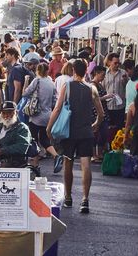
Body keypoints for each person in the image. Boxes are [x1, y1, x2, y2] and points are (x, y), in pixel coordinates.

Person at [47, 59, 105, 214]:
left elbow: (58, 108)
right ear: (86, 70)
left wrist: (49, 126)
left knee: (68, 163)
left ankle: (68, 196)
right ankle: (85, 199)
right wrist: (96, 124)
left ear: (73, 71)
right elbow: (101, 113)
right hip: (86, 131)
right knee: (86, 165)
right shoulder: (92, 88)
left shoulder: (67, 87)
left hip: (69, 132)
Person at [23, 62, 63, 174]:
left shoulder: (37, 80)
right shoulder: (51, 82)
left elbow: (25, 93)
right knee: (44, 139)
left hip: (36, 115)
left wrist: (26, 81)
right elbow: (55, 100)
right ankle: (56, 155)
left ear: (38, 71)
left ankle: (35, 164)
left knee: (33, 139)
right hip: (47, 115)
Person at [89, 65, 112, 163]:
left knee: (102, 133)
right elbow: (93, 99)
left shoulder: (100, 84)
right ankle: (94, 154)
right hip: (95, 113)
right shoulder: (93, 85)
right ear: (97, 73)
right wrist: (106, 97)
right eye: (102, 75)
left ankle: (99, 153)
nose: (103, 77)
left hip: (102, 111)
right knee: (96, 133)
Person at [102, 53, 127, 132]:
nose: (117, 65)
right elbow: (102, 87)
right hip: (108, 106)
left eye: (118, 63)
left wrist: (125, 81)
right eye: (115, 63)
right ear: (109, 62)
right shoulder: (105, 73)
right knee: (109, 129)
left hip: (120, 106)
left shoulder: (123, 73)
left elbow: (127, 86)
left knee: (118, 129)